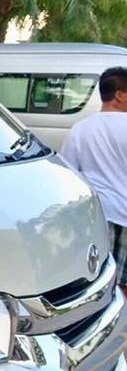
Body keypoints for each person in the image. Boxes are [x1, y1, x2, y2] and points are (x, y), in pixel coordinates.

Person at [61, 66, 127, 296]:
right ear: (120, 94)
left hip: (97, 216)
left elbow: (69, 174)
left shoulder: (80, 129)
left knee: (99, 278)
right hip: (124, 217)